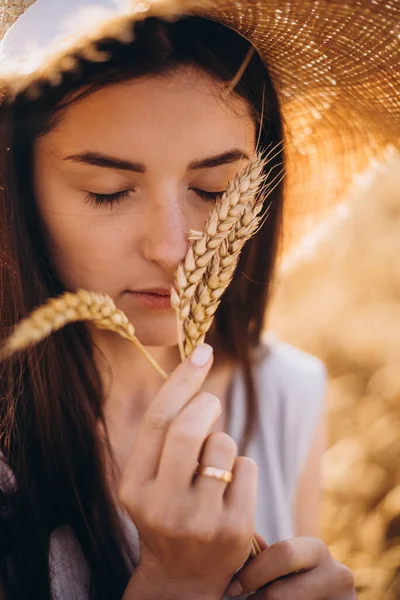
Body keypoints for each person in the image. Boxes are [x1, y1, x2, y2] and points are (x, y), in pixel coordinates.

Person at [0, 1, 397, 599]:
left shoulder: (288, 392)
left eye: (214, 189)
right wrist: (175, 584)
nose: (170, 247)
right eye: (108, 192)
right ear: (19, 190)